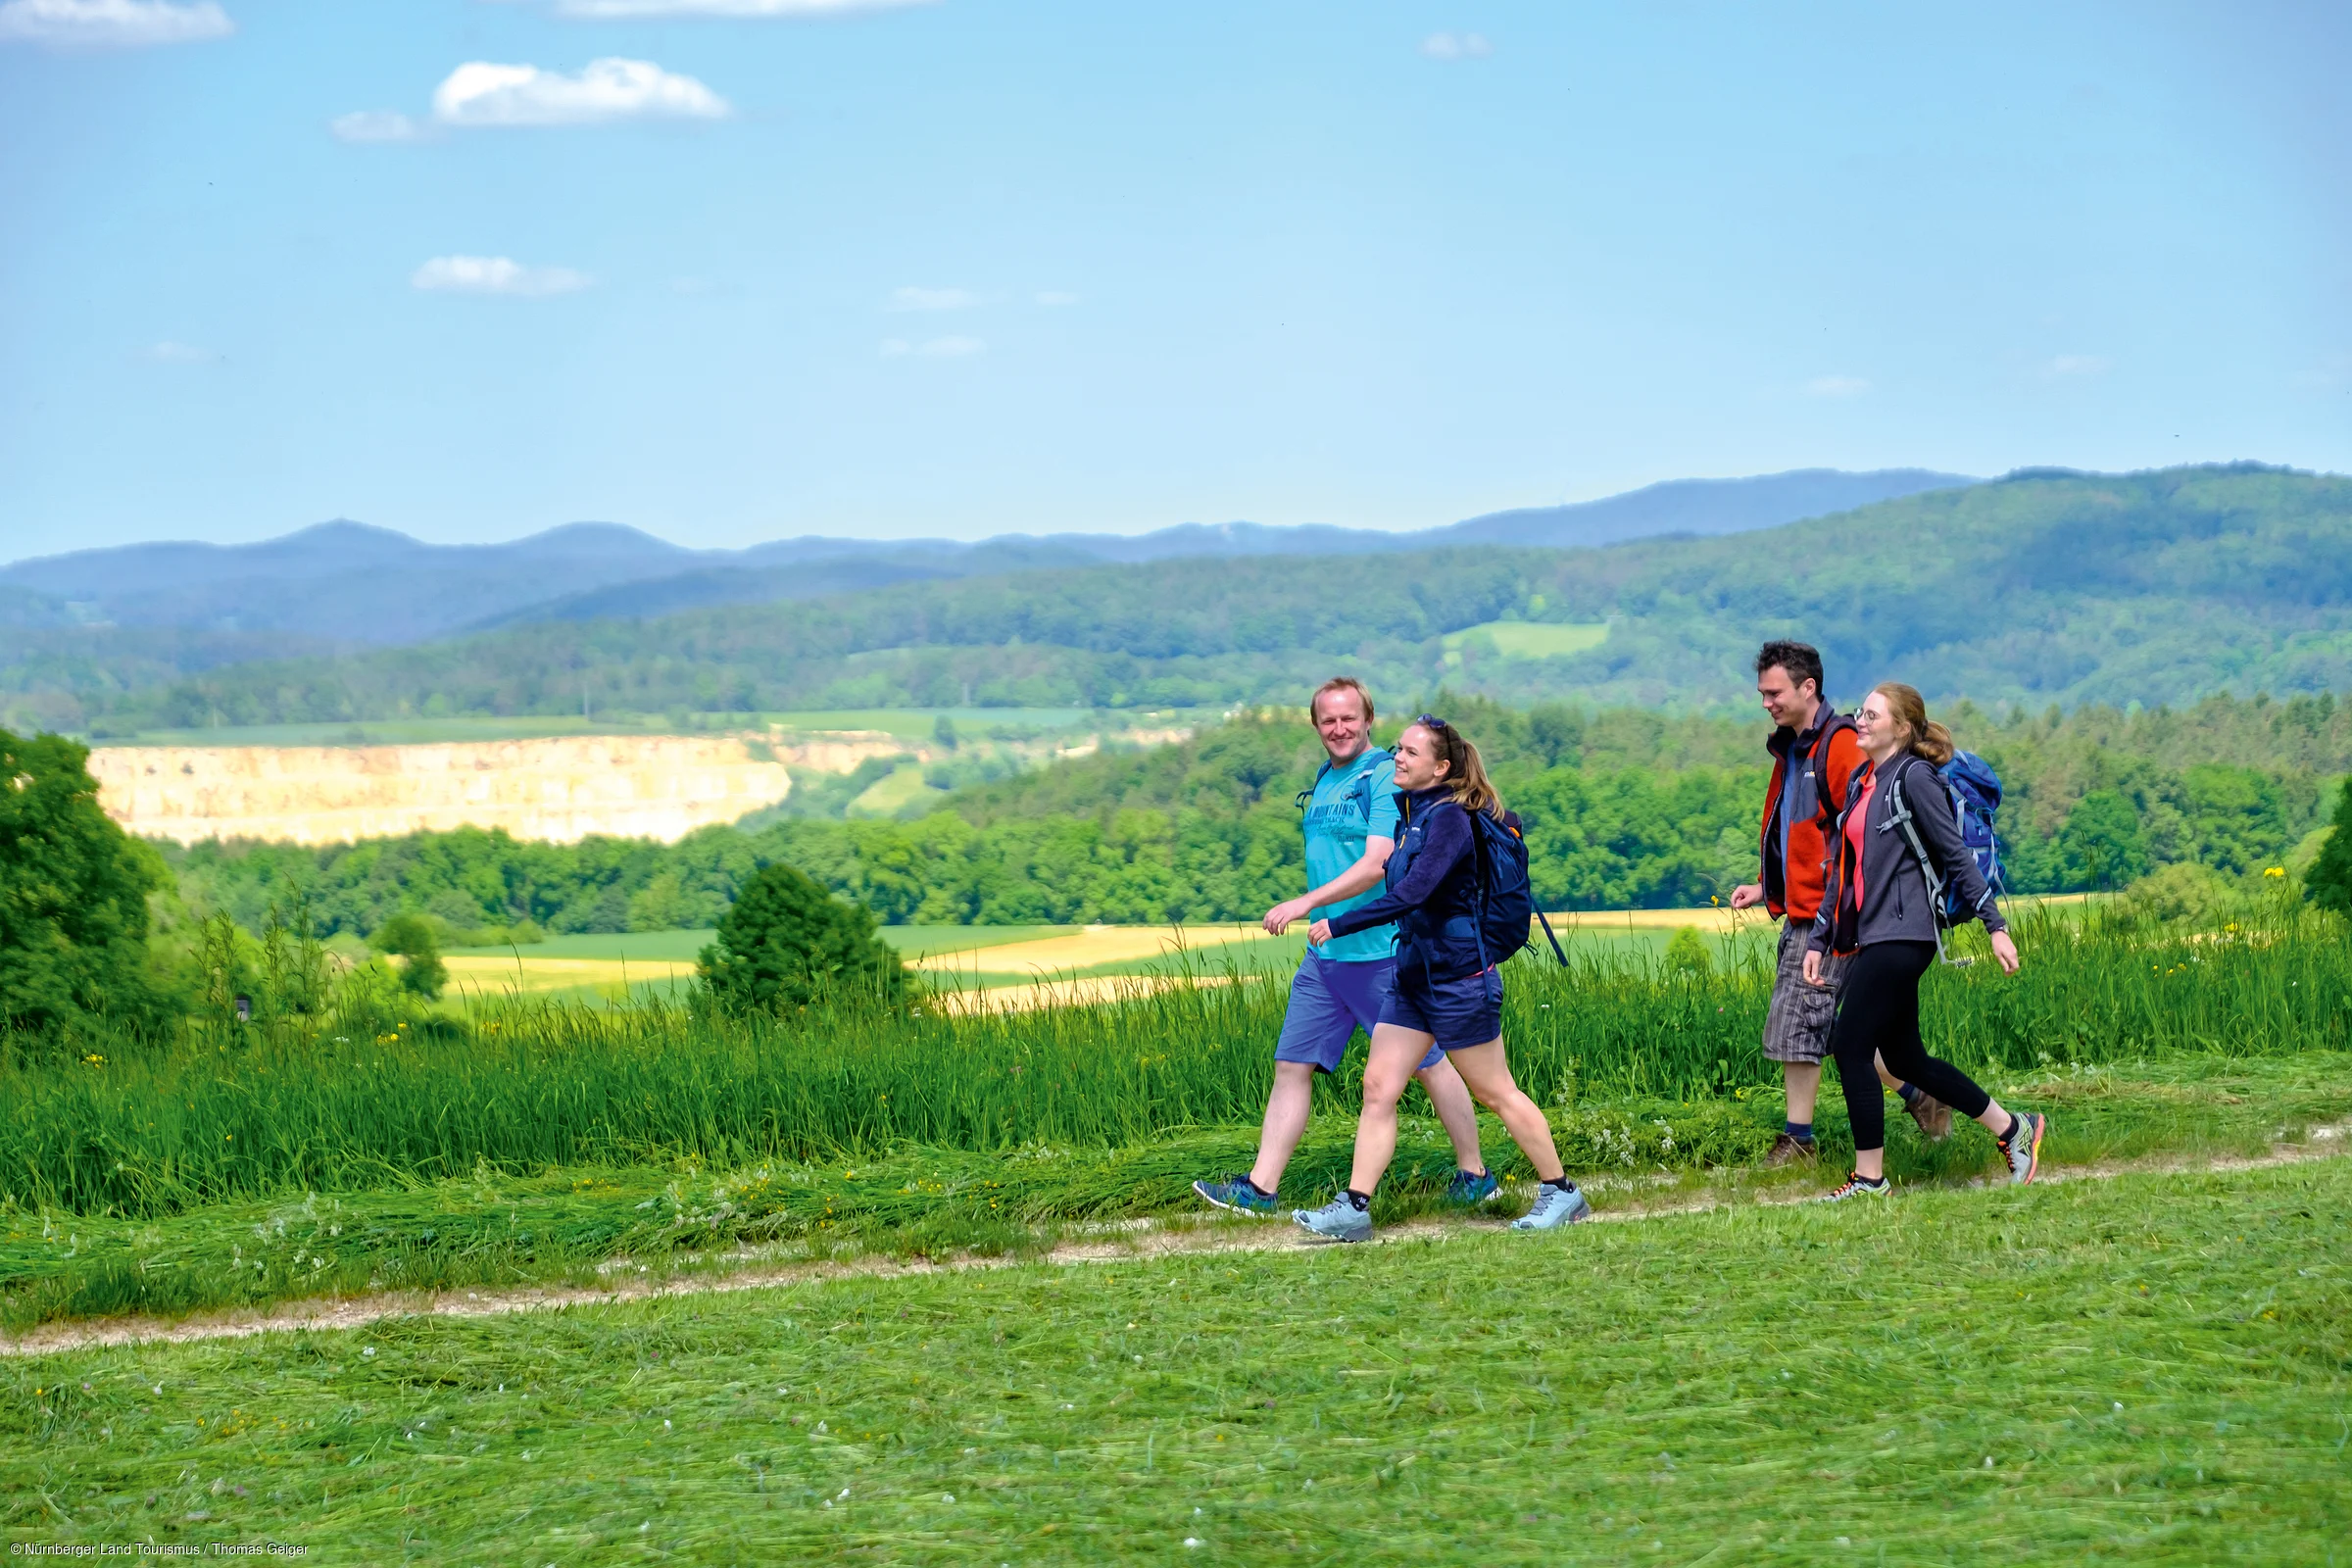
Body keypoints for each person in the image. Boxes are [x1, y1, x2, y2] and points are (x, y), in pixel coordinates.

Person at [1193, 679, 1493, 1216]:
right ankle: (1260, 1190)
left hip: (1378, 952)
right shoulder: (1326, 780)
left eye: (1349, 718)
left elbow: (1380, 860)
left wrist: (1306, 904)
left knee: (1429, 1064)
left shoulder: (1383, 777)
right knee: (1293, 1064)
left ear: (1368, 720)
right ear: (1315, 726)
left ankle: (1475, 1173)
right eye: (1328, 720)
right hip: (1326, 959)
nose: (1339, 728)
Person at [1292, 714, 1590, 1243]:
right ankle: (1354, 1208)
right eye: (1397, 749)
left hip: (1459, 980)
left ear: (1441, 766)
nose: (1396, 758)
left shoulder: (1450, 819)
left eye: (1408, 752)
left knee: (1496, 1092)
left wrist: (1336, 923)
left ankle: (1562, 1191)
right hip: (1413, 977)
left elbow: (1413, 894)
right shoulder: (1412, 811)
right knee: (1379, 1085)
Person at [1803, 682, 2043, 1200]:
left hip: (1905, 933)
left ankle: (1870, 1178)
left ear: (1902, 728)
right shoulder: (1864, 782)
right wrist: (1820, 938)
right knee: (1908, 1059)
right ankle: (2014, 1128)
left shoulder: (1915, 778)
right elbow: (1842, 874)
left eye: (1871, 715)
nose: (1859, 721)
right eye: (1858, 713)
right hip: (1874, 935)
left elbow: (1954, 855)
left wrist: (1995, 926)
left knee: (1849, 1045)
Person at [1730, 641, 1952, 1164]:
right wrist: (1770, 886)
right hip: (1809, 907)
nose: (1766, 702)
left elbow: (1855, 837)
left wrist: (1837, 910)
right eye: (1762, 692)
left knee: (1800, 1024)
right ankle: (1923, 1096)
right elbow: (1795, 829)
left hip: (1833, 918)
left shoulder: (1838, 746)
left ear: (1808, 687)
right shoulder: (1792, 748)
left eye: (1774, 691)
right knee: (1837, 1030)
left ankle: (1800, 1141)